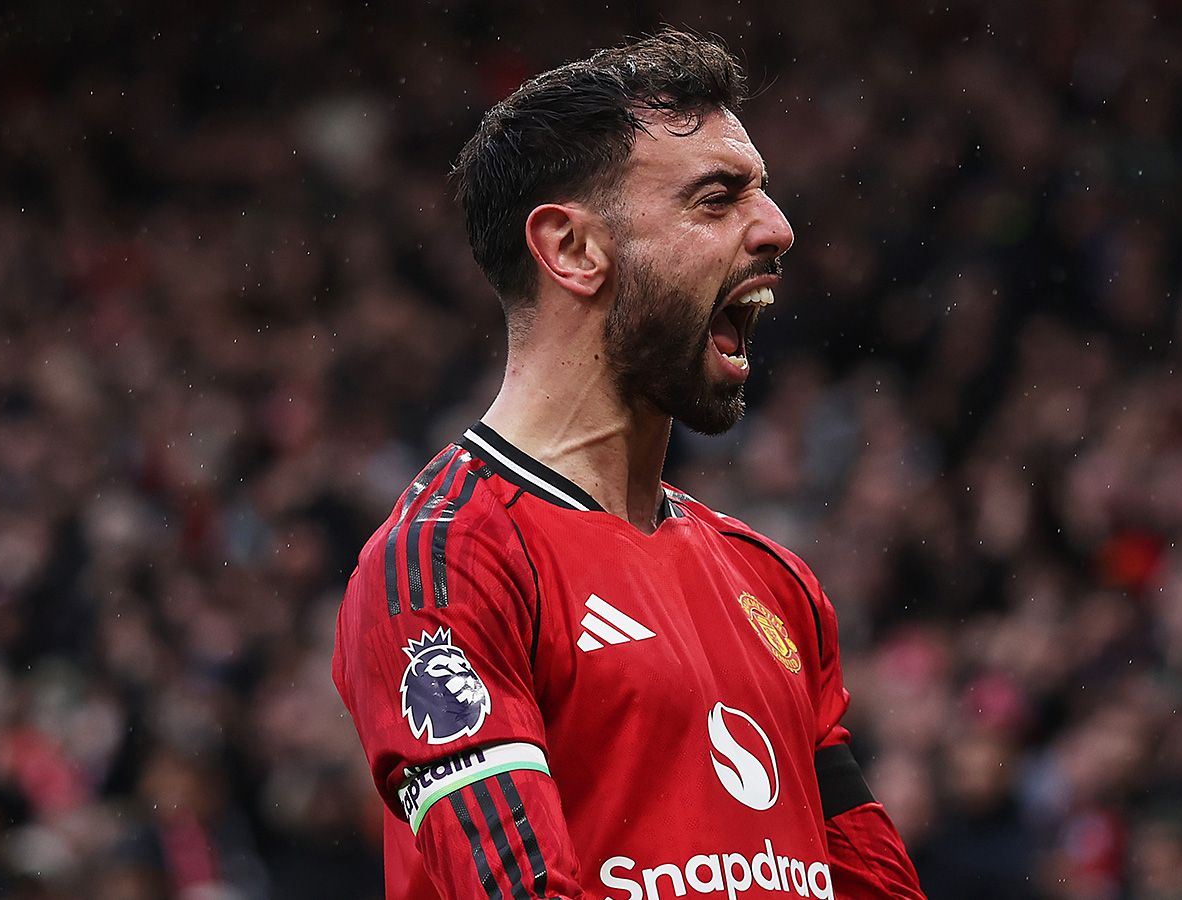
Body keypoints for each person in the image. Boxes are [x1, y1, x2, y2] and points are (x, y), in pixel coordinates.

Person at [331, 29, 926, 900]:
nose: (778, 228)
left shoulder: (776, 584)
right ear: (572, 249)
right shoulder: (447, 566)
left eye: (761, 193)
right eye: (717, 200)